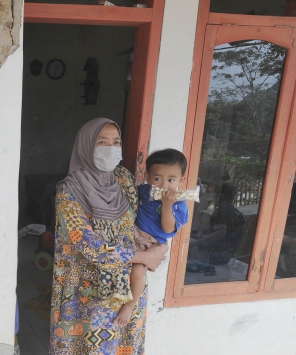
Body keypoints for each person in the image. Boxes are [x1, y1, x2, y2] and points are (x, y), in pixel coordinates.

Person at [50, 118, 166, 355]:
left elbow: (137, 219)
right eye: (102, 142)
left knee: (124, 345)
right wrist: (143, 256)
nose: (111, 148)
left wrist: (154, 245)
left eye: (116, 142)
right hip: (88, 294)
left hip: (128, 290)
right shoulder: (69, 191)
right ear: (86, 146)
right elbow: (89, 245)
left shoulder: (123, 178)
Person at [115, 149, 189, 325]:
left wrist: (167, 205)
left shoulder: (179, 203)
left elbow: (168, 228)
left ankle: (129, 306)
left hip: (150, 243)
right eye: (158, 178)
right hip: (132, 234)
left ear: (181, 180)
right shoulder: (143, 191)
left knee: (138, 271)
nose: (164, 185)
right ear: (148, 177)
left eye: (171, 180)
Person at [189, 183, 246, 265]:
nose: (213, 199)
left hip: (215, 256)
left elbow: (220, 234)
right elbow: (227, 237)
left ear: (221, 197)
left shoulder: (220, 211)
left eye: (215, 196)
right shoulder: (239, 214)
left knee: (187, 245)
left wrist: (195, 243)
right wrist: (202, 237)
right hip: (228, 257)